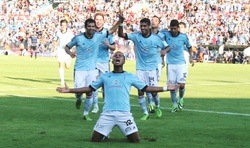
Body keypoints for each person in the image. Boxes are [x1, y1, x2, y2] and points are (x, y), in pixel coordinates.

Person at [56, 51, 179, 143]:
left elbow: (146, 88)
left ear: (124, 61)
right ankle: (106, 132)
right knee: (94, 140)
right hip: (107, 114)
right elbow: (89, 88)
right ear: (112, 60)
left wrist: (166, 88)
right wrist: (70, 90)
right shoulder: (105, 76)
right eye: (115, 56)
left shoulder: (130, 76)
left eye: (120, 56)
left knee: (136, 141)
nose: (117, 57)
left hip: (124, 114)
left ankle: (108, 131)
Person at [64, 16, 124, 121]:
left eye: (93, 26)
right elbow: (67, 47)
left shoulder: (98, 36)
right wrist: (70, 53)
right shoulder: (78, 38)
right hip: (79, 69)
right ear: (85, 27)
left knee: (90, 92)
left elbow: (111, 30)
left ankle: (86, 113)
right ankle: (78, 99)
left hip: (92, 69)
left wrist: (120, 21)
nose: (91, 28)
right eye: (89, 26)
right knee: (79, 92)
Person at [118, 17, 170, 120]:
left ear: (149, 26)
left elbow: (168, 47)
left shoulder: (156, 38)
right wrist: (120, 23)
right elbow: (121, 35)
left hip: (152, 68)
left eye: (145, 26)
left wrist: (164, 52)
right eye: (141, 26)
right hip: (140, 68)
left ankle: (158, 107)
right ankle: (145, 113)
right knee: (140, 91)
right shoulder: (136, 36)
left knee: (154, 91)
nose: (143, 28)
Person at [161, 19, 194, 112]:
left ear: (178, 28)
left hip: (181, 64)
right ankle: (174, 104)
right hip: (170, 64)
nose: (173, 31)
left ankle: (181, 98)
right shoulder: (166, 34)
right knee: (171, 87)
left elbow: (189, 47)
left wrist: (191, 57)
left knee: (182, 85)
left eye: (175, 29)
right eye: (172, 29)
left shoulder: (183, 37)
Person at [91, 13, 116, 114]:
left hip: (104, 62)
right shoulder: (90, 32)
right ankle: (96, 105)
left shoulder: (107, 33)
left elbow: (114, 47)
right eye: (96, 19)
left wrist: (108, 45)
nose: (98, 21)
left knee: (105, 85)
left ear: (103, 21)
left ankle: (106, 105)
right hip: (93, 62)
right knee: (94, 84)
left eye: (100, 19)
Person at [146, 15, 166, 114]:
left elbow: (163, 48)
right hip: (146, 63)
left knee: (154, 85)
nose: (153, 22)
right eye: (152, 20)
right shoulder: (146, 33)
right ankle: (151, 104)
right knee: (146, 84)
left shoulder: (161, 35)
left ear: (159, 23)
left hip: (157, 62)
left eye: (155, 20)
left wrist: (163, 59)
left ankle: (156, 104)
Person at [54, 19, 74, 86]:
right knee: (60, 63)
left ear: (66, 26)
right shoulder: (58, 33)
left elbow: (73, 41)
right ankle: (62, 81)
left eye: (64, 25)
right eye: (62, 25)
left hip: (67, 50)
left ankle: (68, 61)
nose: (63, 26)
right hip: (60, 50)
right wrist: (54, 48)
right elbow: (55, 40)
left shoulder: (70, 33)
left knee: (67, 67)